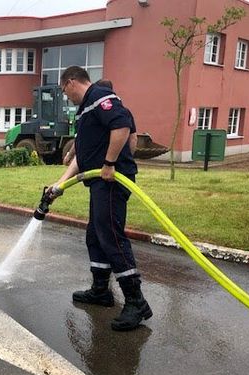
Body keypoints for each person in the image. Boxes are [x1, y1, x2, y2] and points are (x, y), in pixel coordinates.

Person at [50, 66, 152, 331]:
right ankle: (100, 291)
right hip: (98, 181)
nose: (66, 96)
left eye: (63, 90)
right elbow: (83, 157)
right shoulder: (85, 110)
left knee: (111, 236)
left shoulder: (100, 97)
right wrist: (59, 185)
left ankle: (135, 301)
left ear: (71, 82)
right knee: (95, 235)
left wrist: (109, 163)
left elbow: (122, 126)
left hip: (111, 181)